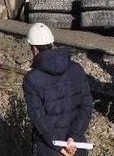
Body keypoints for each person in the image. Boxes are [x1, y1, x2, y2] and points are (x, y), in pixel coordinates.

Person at [22, 23, 93, 156]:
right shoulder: (77, 69)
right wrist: (74, 138)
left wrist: (59, 145)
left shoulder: (31, 79)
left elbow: (39, 119)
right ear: (52, 43)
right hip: (76, 147)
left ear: (33, 48)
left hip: (48, 148)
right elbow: (86, 107)